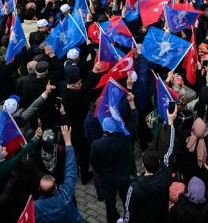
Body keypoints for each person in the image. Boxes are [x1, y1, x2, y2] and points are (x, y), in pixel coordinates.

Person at [90, 92, 138, 223]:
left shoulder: (97, 145)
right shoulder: (125, 138)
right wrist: (132, 103)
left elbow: (95, 166)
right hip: (123, 176)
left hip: (108, 178)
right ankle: (130, 218)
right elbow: (134, 121)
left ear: (104, 129)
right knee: (127, 200)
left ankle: (113, 219)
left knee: (110, 203)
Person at [34, 125, 81, 223]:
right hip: (61, 179)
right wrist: (68, 142)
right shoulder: (65, 194)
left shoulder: (36, 207)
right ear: (55, 186)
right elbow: (70, 168)